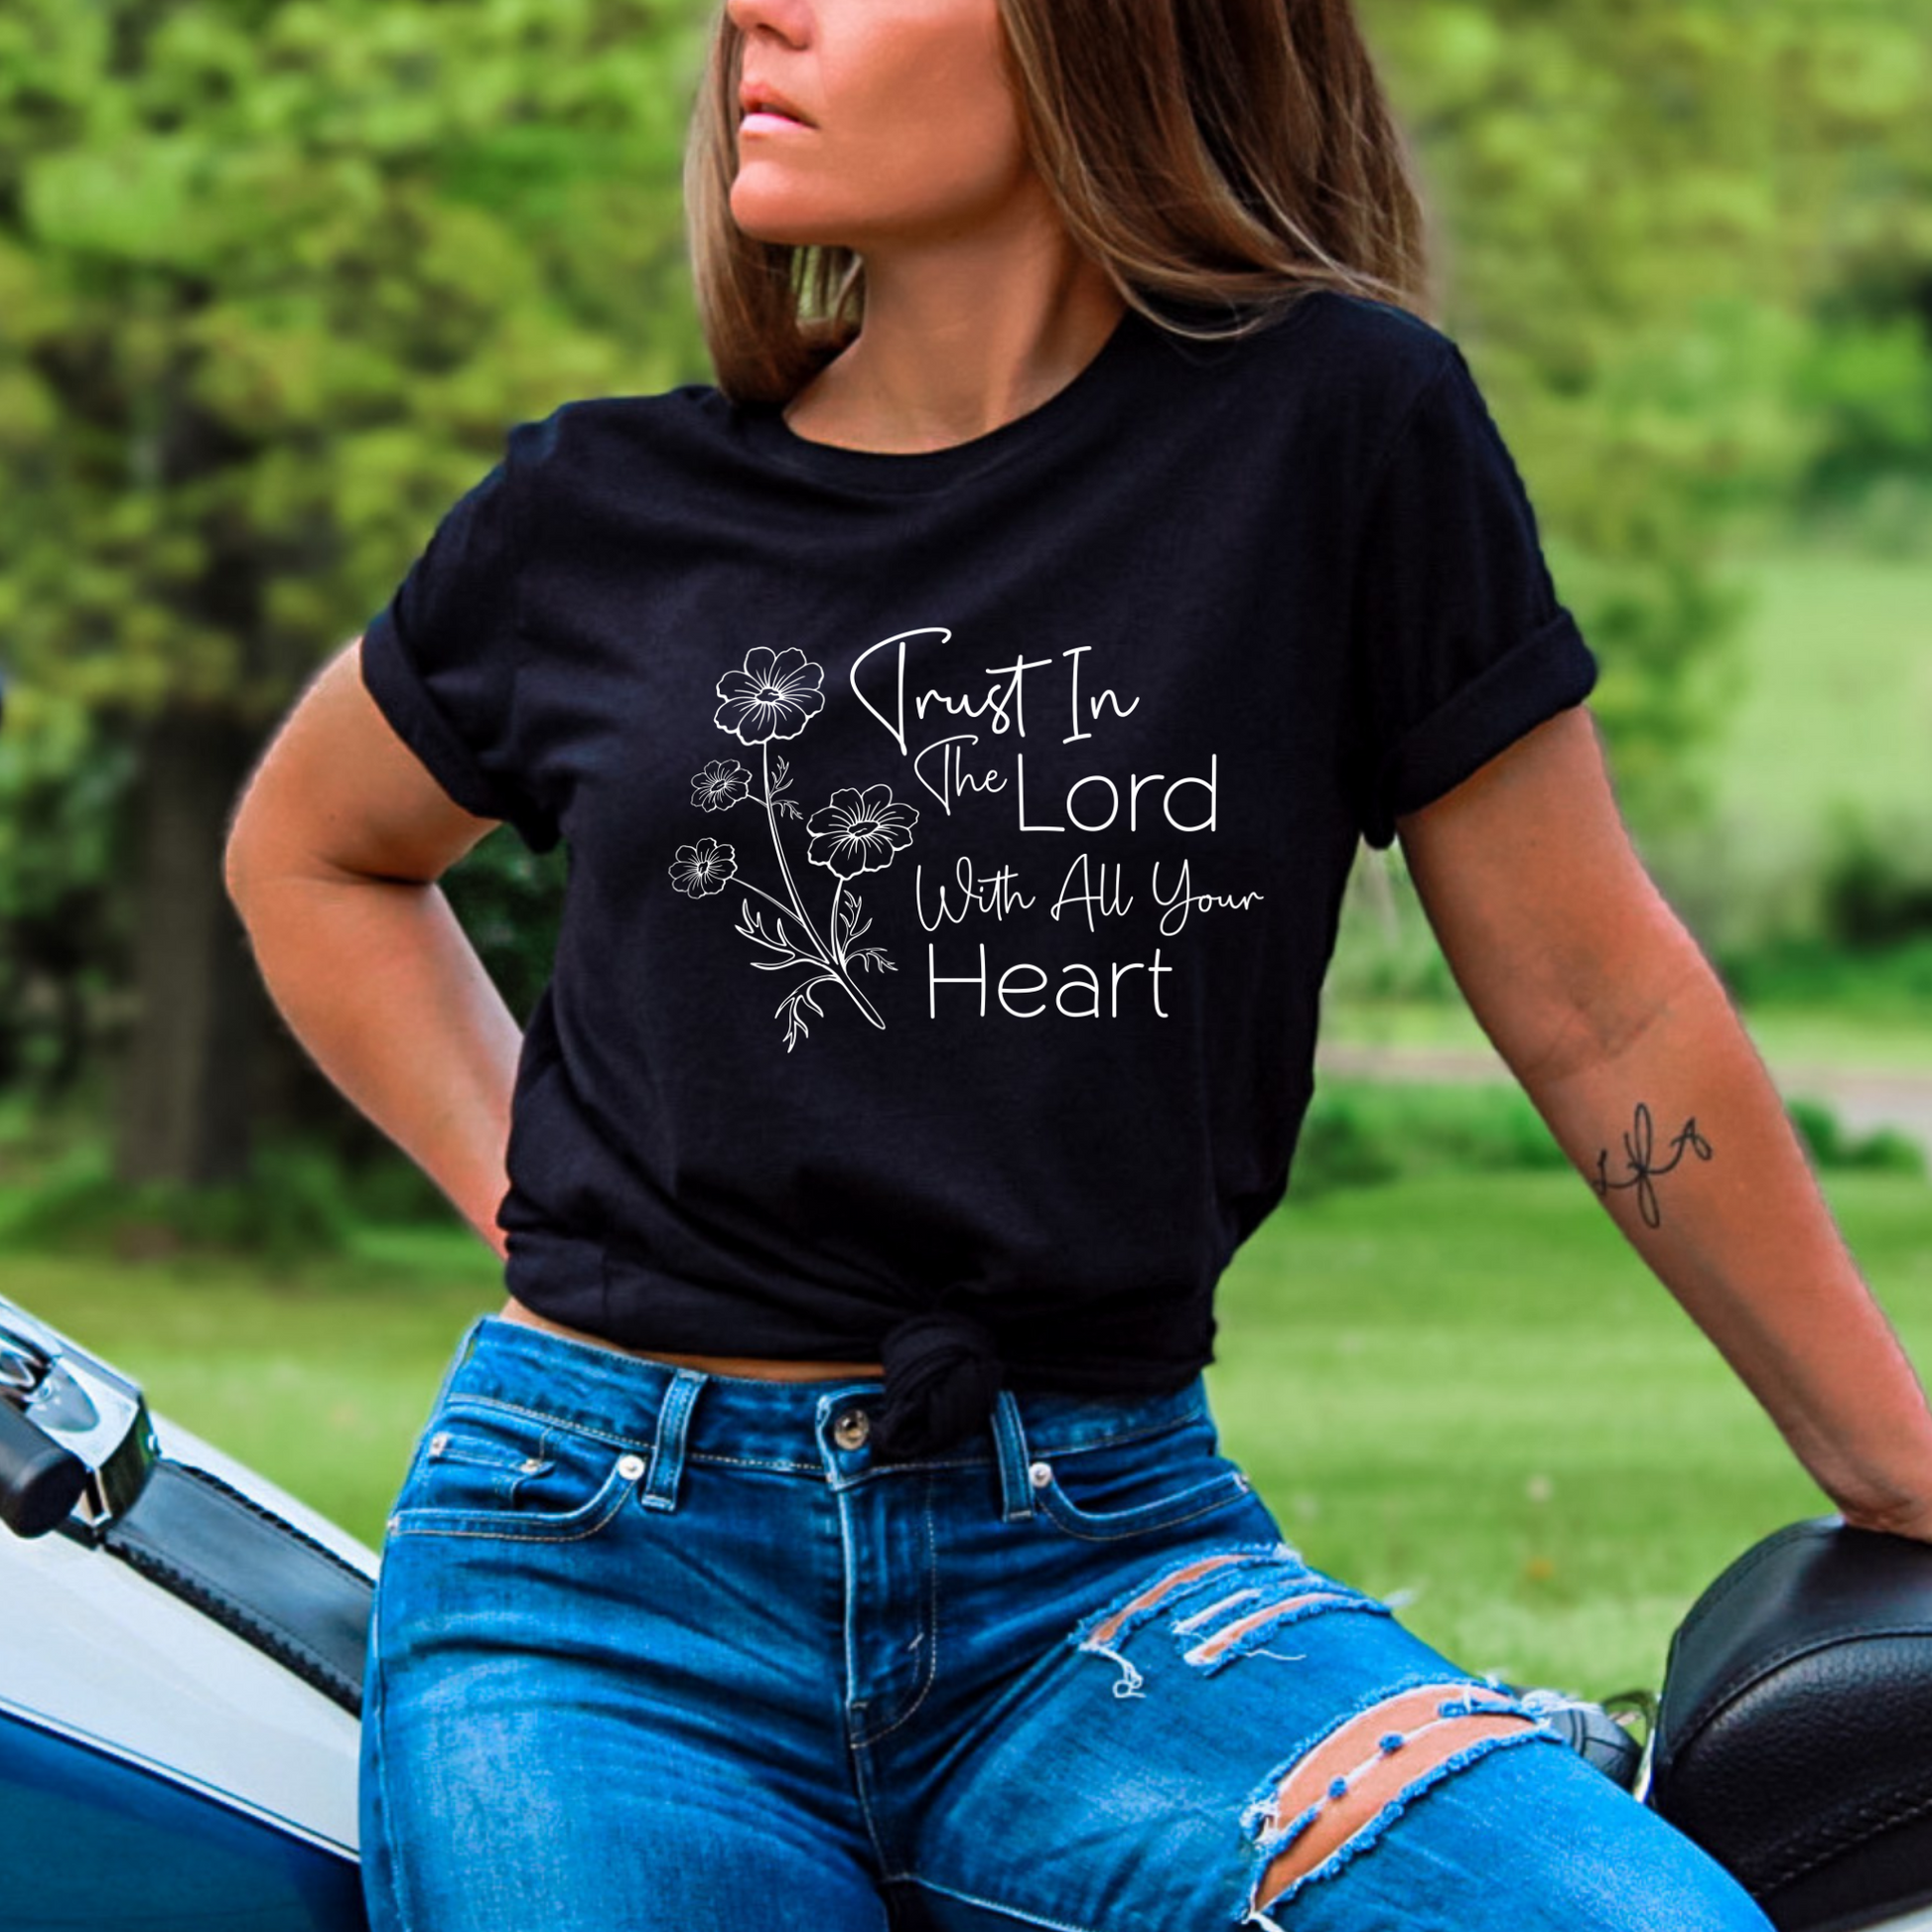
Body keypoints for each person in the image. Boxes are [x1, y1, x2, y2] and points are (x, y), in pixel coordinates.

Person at [223, 1, 1932, 1926]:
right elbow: (314, 850)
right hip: (602, 1594)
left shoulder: (1344, 436)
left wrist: (1897, 1464)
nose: (754, 16)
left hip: (1109, 1577)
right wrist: (548, 1217)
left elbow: (1596, 999)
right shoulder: (594, 513)